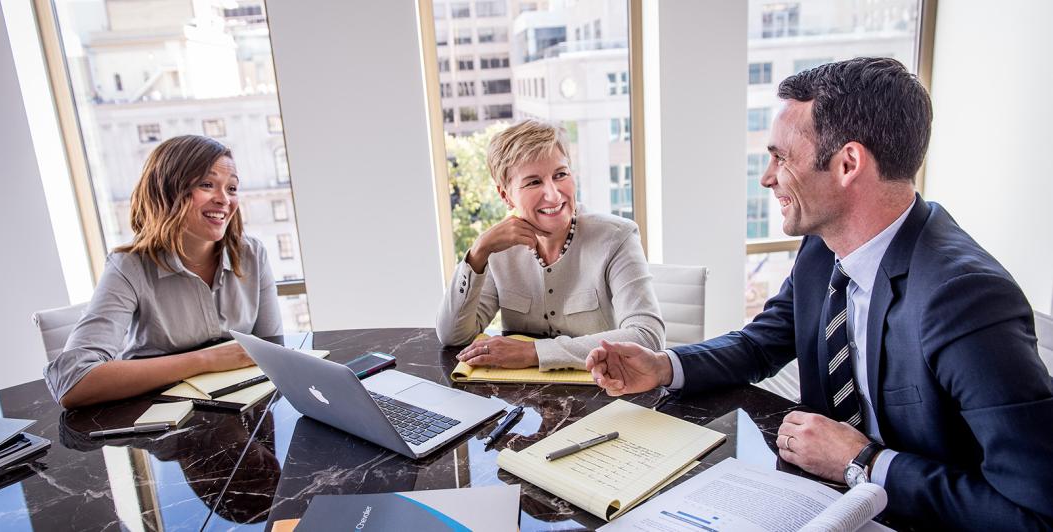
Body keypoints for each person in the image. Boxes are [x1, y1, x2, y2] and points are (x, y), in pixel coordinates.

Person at [586, 58, 1053, 529]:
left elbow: (1035, 513)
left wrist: (864, 462)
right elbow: (761, 343)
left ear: (848, 163)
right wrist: (665, 366)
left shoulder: (966, 299)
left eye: (781, 157)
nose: (767, 178)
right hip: (816, 498)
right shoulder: (822, 246)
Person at [45, 135, 282, 408]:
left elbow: (272, 351)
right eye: (207, 184)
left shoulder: (252, 254)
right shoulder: (130, 265)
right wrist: (206, 361)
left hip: (245, 410)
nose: (223, 200)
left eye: (231, 188)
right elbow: (73, 381)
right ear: (167, 190)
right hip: (162, 423)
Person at [436, 120, 663, 370]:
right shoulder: (498, 249)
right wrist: (478, 252)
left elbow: (647, 337)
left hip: (604, 393)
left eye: (560, 175)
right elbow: (453, 336)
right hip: (523, 403)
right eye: (534, 182)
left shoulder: (617, 237)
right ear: (505, 195)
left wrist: (536, 353)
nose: (554, 195)